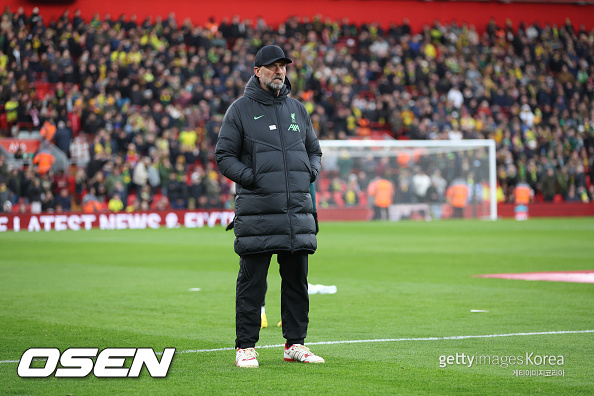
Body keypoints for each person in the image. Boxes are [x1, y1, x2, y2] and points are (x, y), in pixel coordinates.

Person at [215, 45, 324, 368]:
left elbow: (314, 151)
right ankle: (245, 347)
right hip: (257, 212)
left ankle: (296, 344)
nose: (279, 71)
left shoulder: (297, 110)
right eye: (272, 66)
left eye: (283, 66)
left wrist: (309, 172)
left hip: (296, 214)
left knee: (296, 282)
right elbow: (224, 157)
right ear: (257, 71)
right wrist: (254, 178)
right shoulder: (239, 110)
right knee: (252, 282)